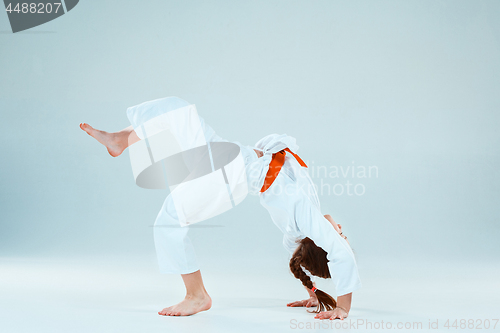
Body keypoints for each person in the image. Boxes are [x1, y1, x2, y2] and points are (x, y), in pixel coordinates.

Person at [79, 96, 361, 320]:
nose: (341, 233)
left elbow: (340, 254)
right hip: (235, 155)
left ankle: (197, 295)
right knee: (178, 112)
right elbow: (298, 256)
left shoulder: (306, 218)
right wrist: (313, 292)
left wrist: (343, 308)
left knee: (169, 221)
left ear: (323, 243)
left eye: (339, 236)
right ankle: (121, 139)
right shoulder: (301, 224)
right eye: (342, 235)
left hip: (230, 174)